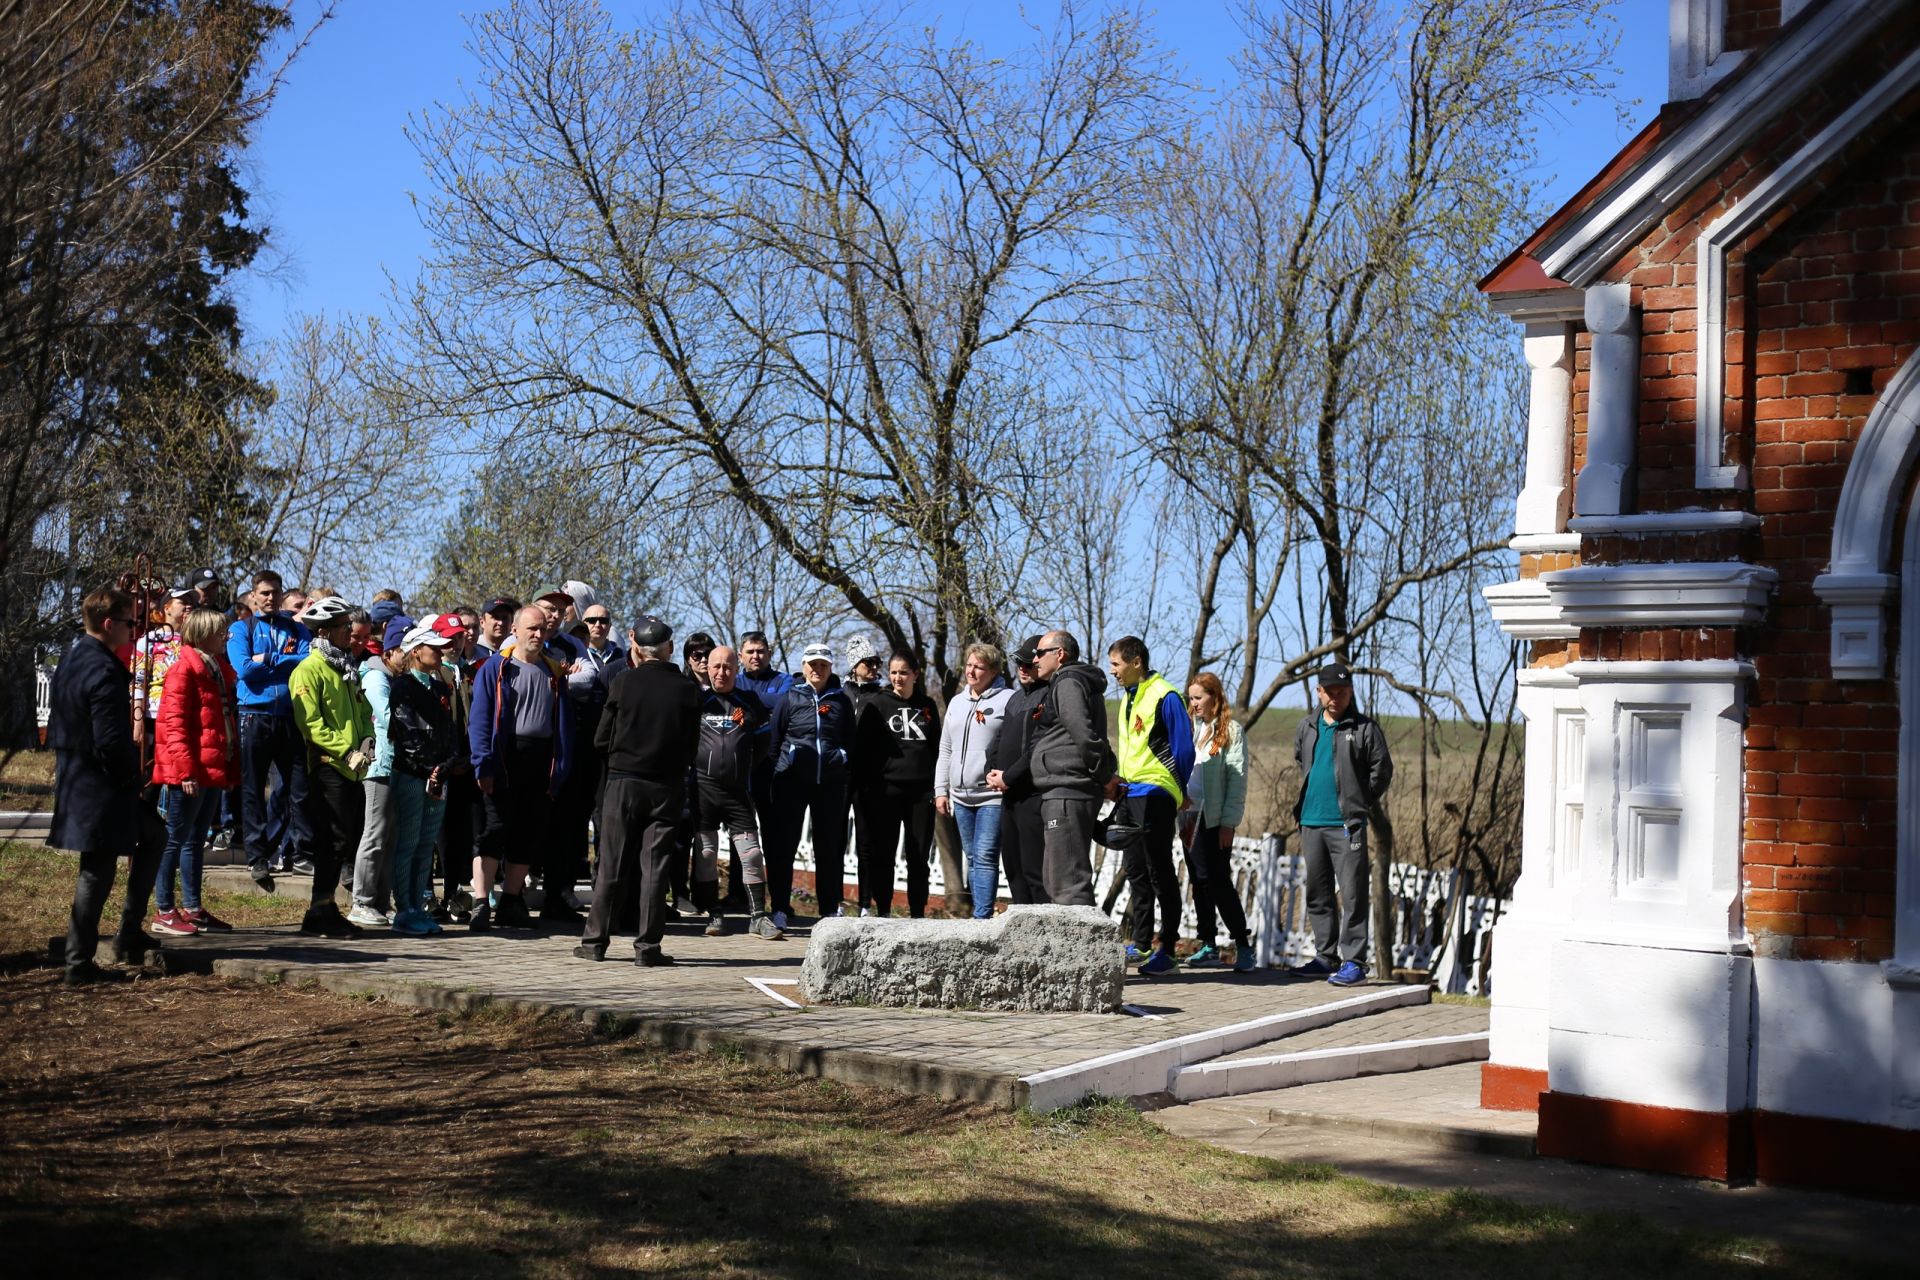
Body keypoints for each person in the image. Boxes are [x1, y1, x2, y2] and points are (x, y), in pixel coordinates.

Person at [576, 616, 700, 965]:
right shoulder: (688, 689)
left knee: (611, 863)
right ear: (670, 648)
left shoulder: (623, 682)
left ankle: (594, 942)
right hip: (667, 785)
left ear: (637, 648)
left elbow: (601, 737)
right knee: (655, 866)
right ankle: (647, 948)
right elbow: (692, 745)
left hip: (623, 782)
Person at [51, 587, 160, 984]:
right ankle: (78, 965)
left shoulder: (77, 655)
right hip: (100, 784)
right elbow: (110, 739)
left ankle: (126, 933)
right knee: (97, 870)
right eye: (131, 622)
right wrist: (132, 778)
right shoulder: (101, 669)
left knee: (152, 837)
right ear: (110, 624)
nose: (134, 629)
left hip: (82, 779)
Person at [468, 605, 575, 930]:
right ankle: (481, 901)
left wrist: (560, 771)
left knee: (528, 832)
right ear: (515, 630)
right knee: (493, 829)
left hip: (540, 761)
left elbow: (564, 726)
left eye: (543, 629)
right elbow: (481, 719)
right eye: (531, 629)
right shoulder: (496, 668)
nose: (538, 635)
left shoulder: (554, 672)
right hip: (503, 759)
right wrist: (482, 764)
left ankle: (512, 901)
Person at [1292, 662, 1394, 986]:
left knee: (1352, 894)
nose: (1337, 697)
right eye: (1331, 692)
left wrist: (1360, 800)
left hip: (1347, 825)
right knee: (1317, 892)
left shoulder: (1364, 729)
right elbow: (1300, 759)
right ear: (1319, 692)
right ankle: (1326, 956)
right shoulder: (1307, 727)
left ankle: (1354, 962)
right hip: (1311, 821)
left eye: (1343, 691)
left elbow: (1383, 770)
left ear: (1351, 692)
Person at [288, 595, 377, 939]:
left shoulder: (345, 666)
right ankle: (318, 909)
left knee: (344, 841)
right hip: (329, 766)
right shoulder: (308, 670)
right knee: (332, 841)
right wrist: (345, 751)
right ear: (325, 632)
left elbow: (362, 710)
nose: (350, 633)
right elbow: (311, 724)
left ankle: (325, 908)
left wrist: (367, 742)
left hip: (354, 766)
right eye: (344, 628)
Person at [149, 606, 240, 936]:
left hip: (210, 768)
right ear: (203, 634)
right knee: (173, 839)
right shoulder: (183, 671)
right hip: (188, 772)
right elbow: (174, 725)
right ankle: (164, 910)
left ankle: (192, 907)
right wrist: (185, 770)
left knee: (194, 839)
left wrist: (226, 769)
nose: (225, 637)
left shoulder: (217, 671)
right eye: (220, 632)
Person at [1107, 636, 1195, 975]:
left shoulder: (1166, 695)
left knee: (1160, 872)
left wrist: (1178, 787)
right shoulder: (1130, 696)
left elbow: (1183, 749)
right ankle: (1142, 944)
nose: (1113, 671)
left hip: (1156, 793)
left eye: (1116, 664)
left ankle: (1168, 949)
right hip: (1130, 793)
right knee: (1136, 871)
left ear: (1136, 662)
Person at [228, 570, 312, 890]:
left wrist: (269, 659)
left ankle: (303, 853)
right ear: (253, 596)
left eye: (275, 592)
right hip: (254, 715)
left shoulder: (295, 627)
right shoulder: (241, 628)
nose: (270, 598)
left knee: (298, 788)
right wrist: (282, 660)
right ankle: (256, 856)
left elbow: (307, 660)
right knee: (253, 789)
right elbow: (244, 668)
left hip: (289, 715)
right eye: (264, 592)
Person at [693, 645, 784, 939]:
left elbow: (764, 744)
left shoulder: (749, 702)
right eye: (716, 666)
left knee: (753, 855)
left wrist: (741, 766)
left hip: (737, 792)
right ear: (708, 668)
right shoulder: (698, 700)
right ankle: (714, 914)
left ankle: (758, 916)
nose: (722, 672)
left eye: (728, 667)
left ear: (737, 668)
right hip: (703, 790)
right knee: (706, 854)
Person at [386, 615, 467, 936]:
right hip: (411, 775)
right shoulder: (402, 687)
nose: (441, 651)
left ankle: (418, 907)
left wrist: (446, 765)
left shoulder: (438, 685)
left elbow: (449, 730)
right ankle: (404, 909)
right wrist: (430, 766)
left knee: (424, 845)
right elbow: (406, 733)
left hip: (438, 777)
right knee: (407, 844)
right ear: (416, 651)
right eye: (433, 647)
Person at [765, 642, 855, 926]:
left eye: (823, 665)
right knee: (785, 846)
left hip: (829, 783)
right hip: (792, 782)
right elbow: (775, 742)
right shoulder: (789, 698)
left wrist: (841, 759)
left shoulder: (841, 701)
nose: (818, 669)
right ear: (803, 667)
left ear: (831, 668)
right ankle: (780, 908)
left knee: (828, 847)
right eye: (813, 664)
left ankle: (829, 909)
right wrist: (783, 767)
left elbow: (850, 741)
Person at [1026, 630, 1112, 907]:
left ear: (1059, 654)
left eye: (1040, 653)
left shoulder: (1068, 682)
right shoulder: (1069, 683)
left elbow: (1083, 733)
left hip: (1068, 790)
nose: (1035, 659)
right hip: (1063, 790)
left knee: (1069, 885)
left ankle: (1086, 950)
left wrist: (1105, 775)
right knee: (1057, 881)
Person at [853, 650, 939, 918]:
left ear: (916, 673)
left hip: (920, 793)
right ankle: (884, 911)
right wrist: (866, 790)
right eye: (893, 672)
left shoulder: (927, 705)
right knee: (883, 855)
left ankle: (917, 913)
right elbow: (862, 752)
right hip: (885, 792)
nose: (898, 677)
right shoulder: (877, 704)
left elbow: (936, 748)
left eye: (903, 672)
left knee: (918, 857)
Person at [934, 642, 1013, 919]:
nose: (971, 671)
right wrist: (941, 790)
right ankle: (979, 912)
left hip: (991, 795)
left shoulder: (1007, 700)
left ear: (992, 671)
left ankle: (981, 917)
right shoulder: (956, 702)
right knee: (972, 856)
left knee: (985, 854)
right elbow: (946, 749)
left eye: (978, 667)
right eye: (969, 665)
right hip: (960, 796)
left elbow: (1016, 745)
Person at [1183, 672, 1255, 972]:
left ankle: (1242, 945)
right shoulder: (1191, 729)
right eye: (1191, 698)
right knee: (1198, 882)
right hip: (1189, 817)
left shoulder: (1231, 732)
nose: (1194, 703)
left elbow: (1237, 782)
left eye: (1199, 697)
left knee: (1219, 882)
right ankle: (1209, 944)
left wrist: (1228, 822)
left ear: (1214, 697)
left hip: (1215, 821)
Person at [345, 614, 411, 927]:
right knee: (375, 834)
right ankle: (362, 901)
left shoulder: (395, 679)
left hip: (395, 765)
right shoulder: (374, 678)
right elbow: (387, 717)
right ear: (388, 653)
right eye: (405, 651)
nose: (409, 657)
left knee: (390, 837)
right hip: (379, 765)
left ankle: (381, 903)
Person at [985, 636, 1048, 904]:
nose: (1021, 668)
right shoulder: (1013, 700)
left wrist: (1009, 777)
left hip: (1032, 795)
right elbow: (998, 741)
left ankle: (1043, 936)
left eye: (1027, 663)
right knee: (1012, 868)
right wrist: (991, 770)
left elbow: (1037, 747)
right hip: (1008, 795)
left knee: (1034, 869)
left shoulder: (1048, 695)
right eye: (1018, 662)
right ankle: (1022, 932)